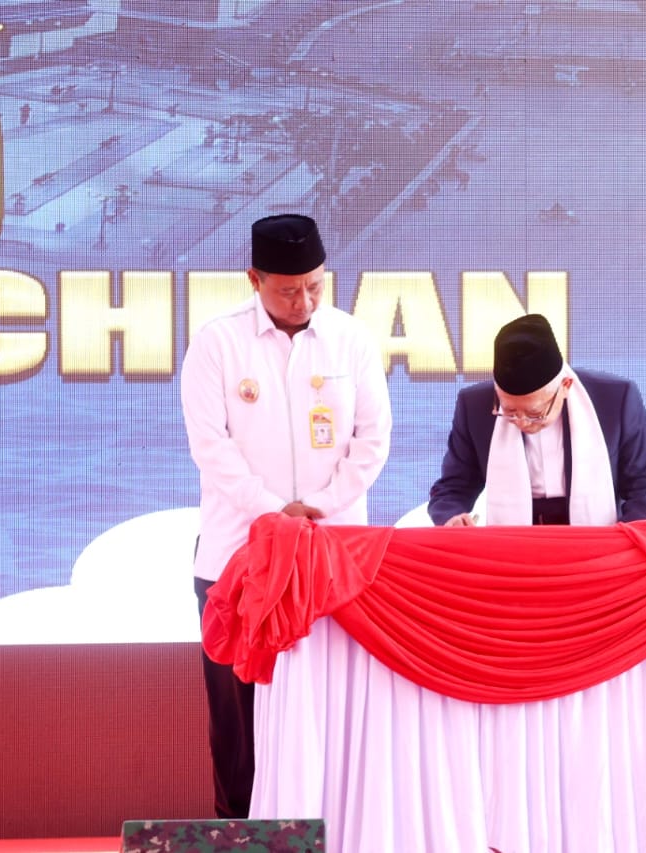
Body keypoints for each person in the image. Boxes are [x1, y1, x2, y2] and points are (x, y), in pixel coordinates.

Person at [180, 213, 392, 818]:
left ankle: (340, 828)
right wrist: (276, 514)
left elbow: (373, 440)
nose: (304, 302)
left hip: (334, 553)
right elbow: (211, 447)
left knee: (337, 706)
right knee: (239, 712)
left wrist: (318, 507)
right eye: (288, 290)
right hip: (238, 553)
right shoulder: (217, 343)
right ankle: (240, 829)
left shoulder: (351, 339)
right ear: (254, 279)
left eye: (314, 287)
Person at [428, 313, 646, 526]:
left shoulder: (616, 399)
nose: (522, 422)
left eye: (535, 414)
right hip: (515, 544)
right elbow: (452, 488)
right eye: (509, 411)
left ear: (565, 386)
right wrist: (452, 517)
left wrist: (624, 540)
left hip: (600, 540)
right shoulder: (474, 406)